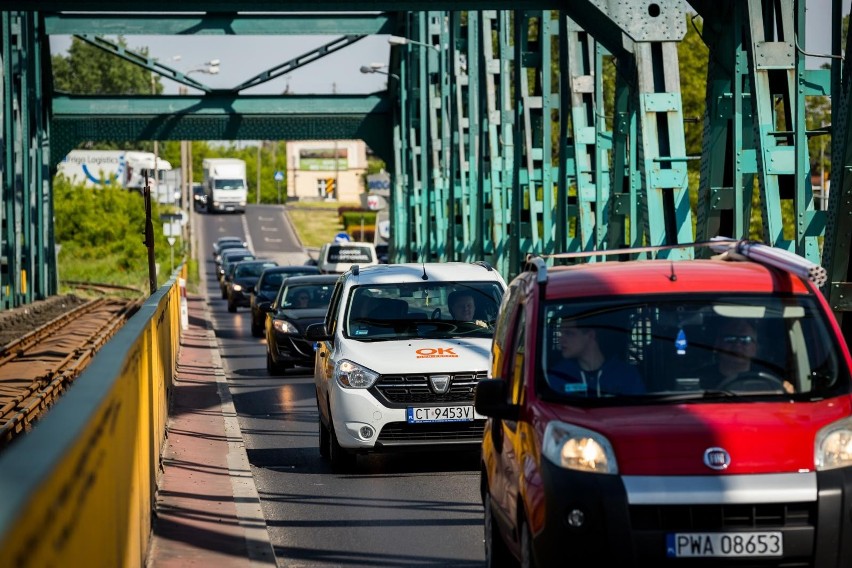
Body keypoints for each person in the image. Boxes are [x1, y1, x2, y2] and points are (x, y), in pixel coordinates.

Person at [548, 319, 645, 396]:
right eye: (561, 333)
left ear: (590, 335)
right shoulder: (557, 376)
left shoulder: (626, 375)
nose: (561, 340)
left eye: (569, 333)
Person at [698, 319, 793, 392]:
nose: (737, 345)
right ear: (717, 344)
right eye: (730, 339)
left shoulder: (771, 379)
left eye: (745, 340)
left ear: (755, 348)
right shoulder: (699, 378)